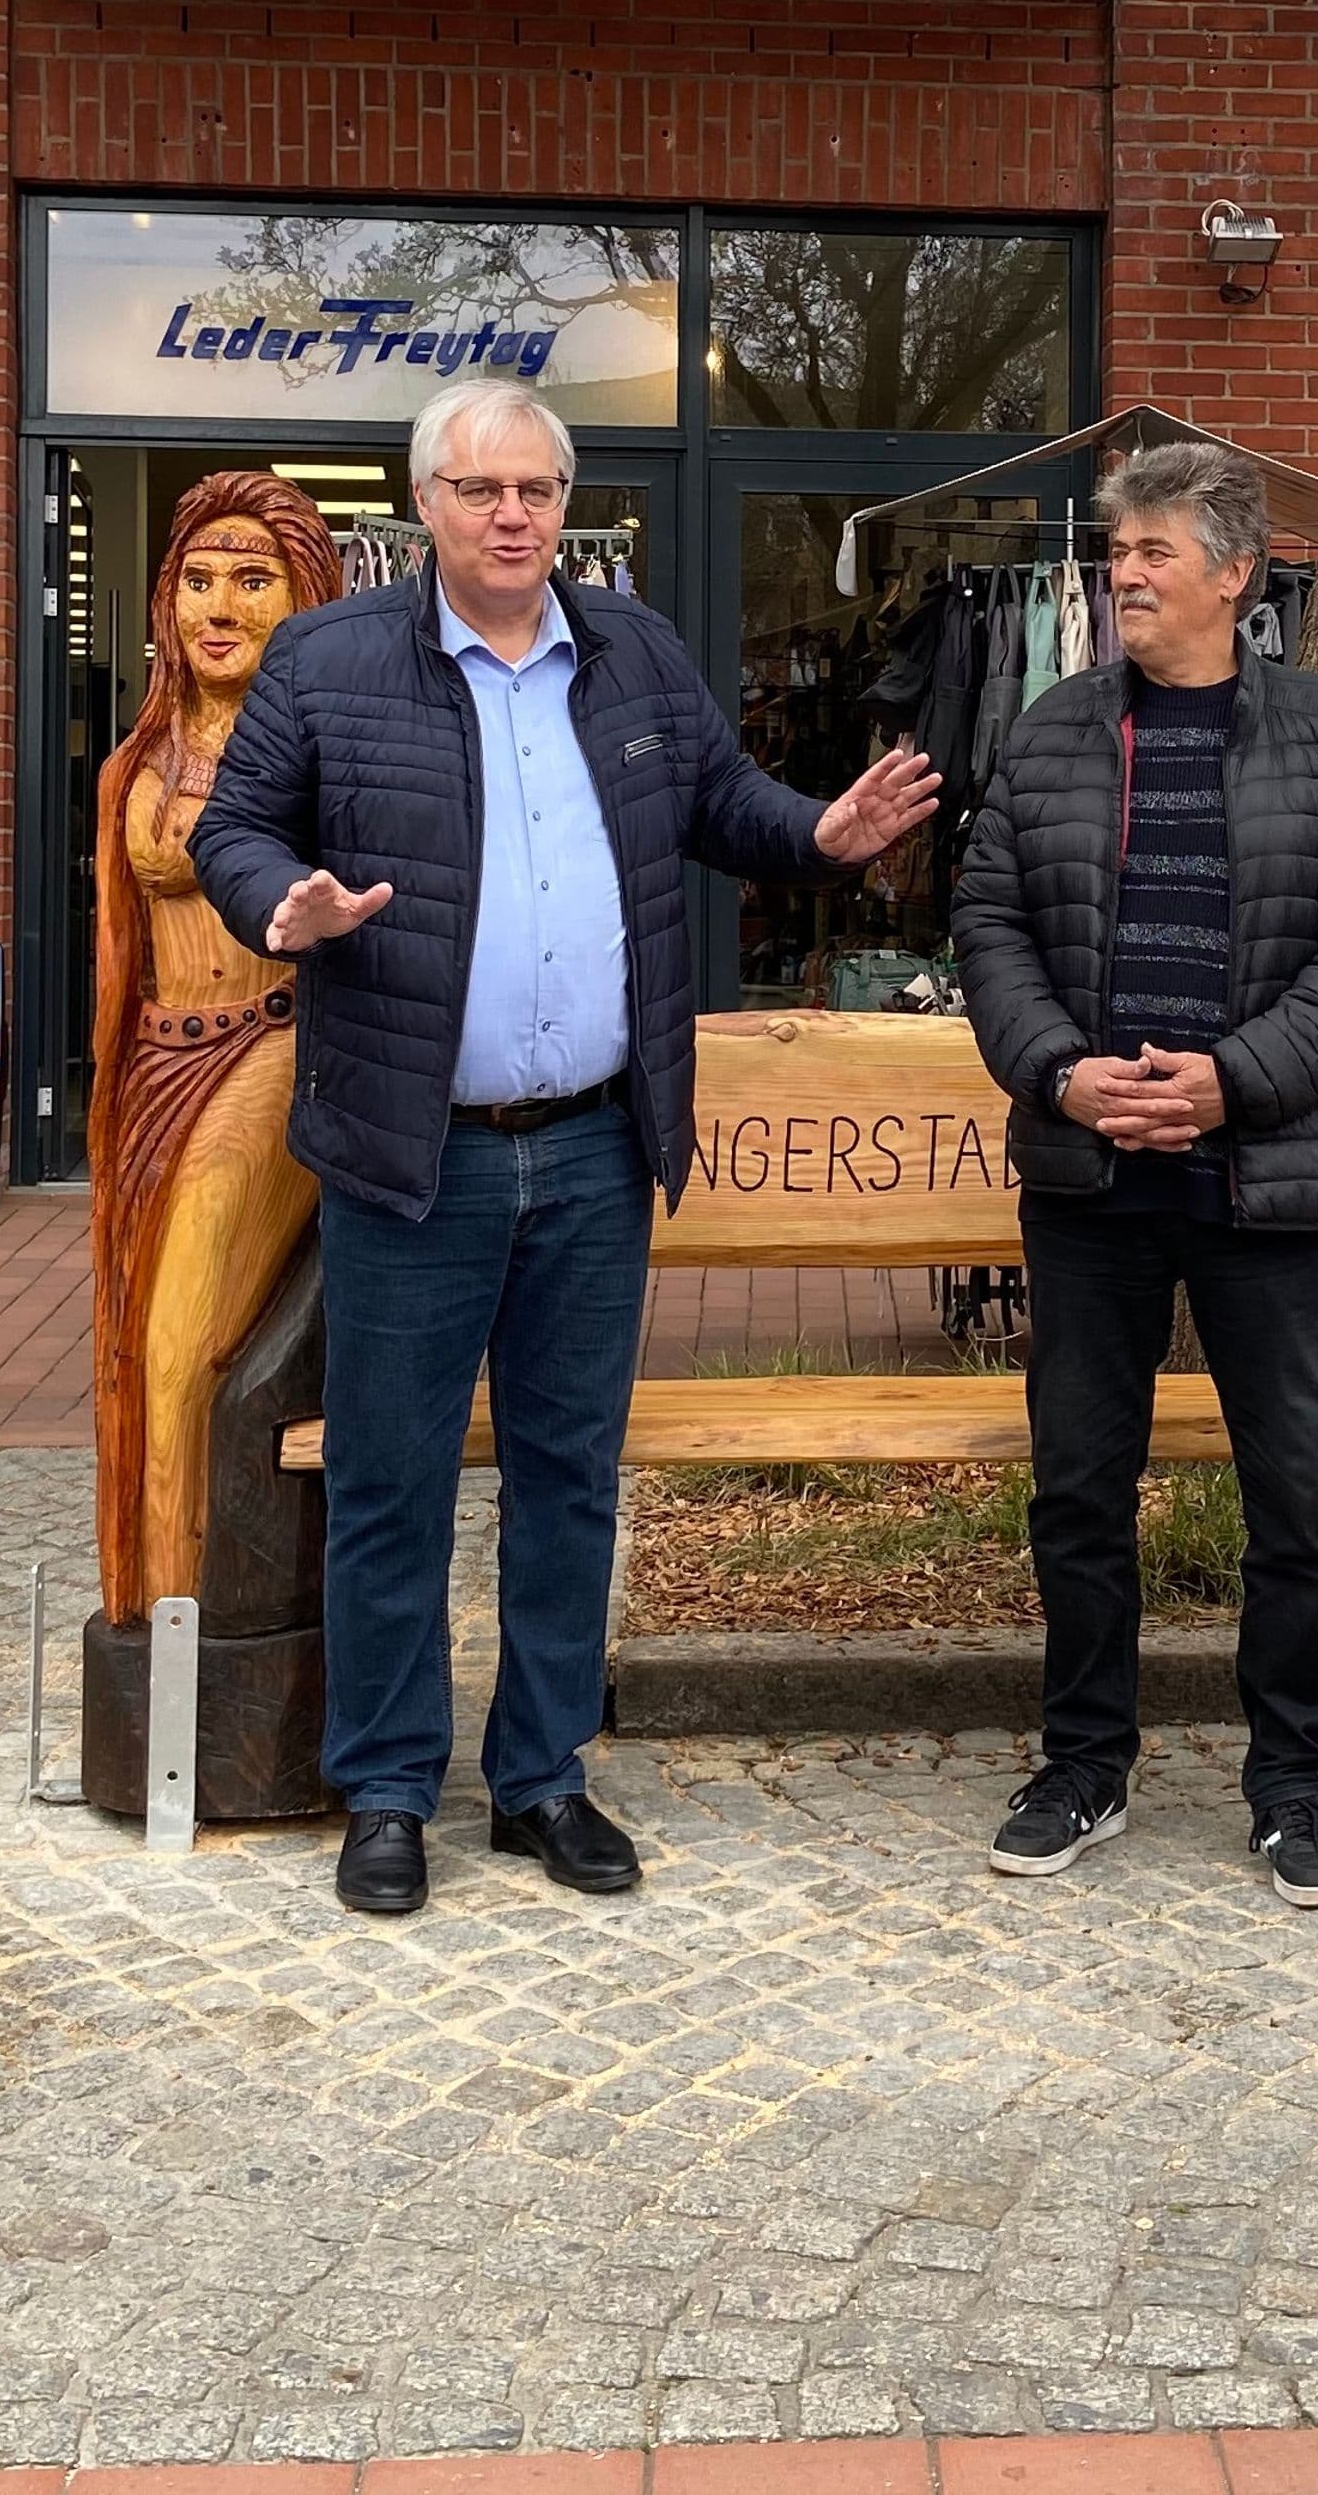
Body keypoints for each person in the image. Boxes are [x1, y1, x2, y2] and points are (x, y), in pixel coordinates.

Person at [190, 382, 937, 1919]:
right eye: (479, 491)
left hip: (596, 1145)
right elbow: (233, 824)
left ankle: (539, 1777)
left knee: (567, 1475)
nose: (513, 515)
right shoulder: (330, 662)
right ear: (425, 508)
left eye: (536, 488)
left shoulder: (631, 650)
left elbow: (718, 801)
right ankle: (390, 1788)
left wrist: (818, 834)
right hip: (416, 1150)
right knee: (394, 1481)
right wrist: (286, 904)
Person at [950, 439, 1318, 1909]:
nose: (1124, 573)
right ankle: (1083, 1760)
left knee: (1296, 1496)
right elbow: (988, 928)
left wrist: (1229, 1082)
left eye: (1153, 550)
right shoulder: (1045, 736)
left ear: (1234, 572)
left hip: (1266, 1187)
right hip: (1091, 1184)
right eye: (1118, 549)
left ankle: (1289, 1782)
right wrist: (1060, 1074)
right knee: (1078, 1489)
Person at [90, 468, 343, 1628]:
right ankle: (142, 1611)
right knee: (135, 1348)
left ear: (306, 600)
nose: (219, 604)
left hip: (271, 1048)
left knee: (187, 1336)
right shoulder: (130, 766)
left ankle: (192, 1642)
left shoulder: (321, 752)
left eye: (254, 579)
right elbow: (118, 953)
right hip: (150, 1070)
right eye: (197, 578)